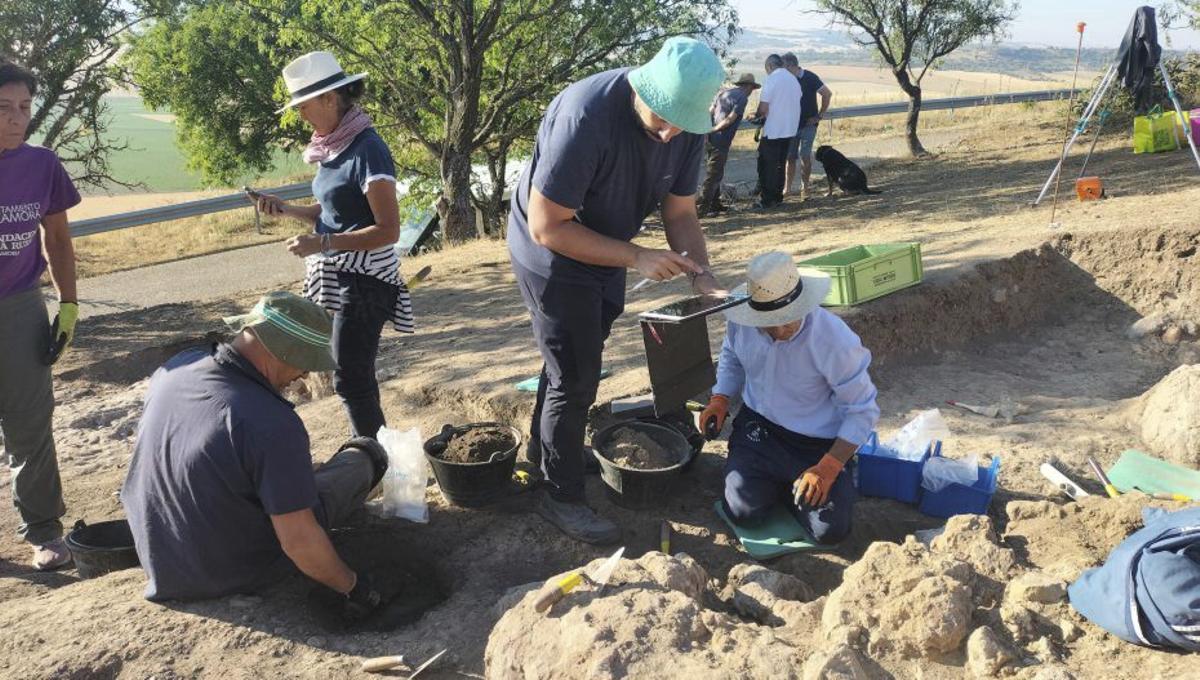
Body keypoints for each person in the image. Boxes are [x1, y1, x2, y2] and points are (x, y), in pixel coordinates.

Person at [508, 37, 726, 544]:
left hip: (607, 245)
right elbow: (549, 226)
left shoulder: (685, 125)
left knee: (574, 359)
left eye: (683, 125)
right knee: (575, 373)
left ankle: (546, 454)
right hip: (552, 251)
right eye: (662, 120)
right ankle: (559, 495)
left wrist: (702, 272)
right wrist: (637, 257)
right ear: (643, 87)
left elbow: (680, 212)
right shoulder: (585, 117)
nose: (671, 133)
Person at [122, 291, 389, 619]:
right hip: (230, 572)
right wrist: (353, 586)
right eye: (305, 362)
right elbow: (298, 542)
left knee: (286, 477)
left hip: (161, 559)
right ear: (284, 351)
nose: (304, 375)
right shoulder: (270, 422)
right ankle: (368, 453)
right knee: (363, 457)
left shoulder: (176, 368)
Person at [249, 51, 410, 440]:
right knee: (353, 378)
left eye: (303, 106)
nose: (301, 115)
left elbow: (387, 229)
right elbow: (334, 210)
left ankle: (374, 463)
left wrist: (321, 242)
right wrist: (286, 210)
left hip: (367, 282)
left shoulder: (368, 148)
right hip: (345, 279)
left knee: (351, 380)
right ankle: (377, 460)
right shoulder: (334, 146)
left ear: (330, 98)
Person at [701, 252, 879, 544]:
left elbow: (862, 410)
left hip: (816, 445)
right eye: (771, 322)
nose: (781, 329)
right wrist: (720, 398)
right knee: (743, 510)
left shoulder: (834, 341)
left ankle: (810, 480)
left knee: (829, 531)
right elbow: (732, 356)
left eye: (788, 319)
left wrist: (829, 466)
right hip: (760, 432)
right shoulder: (742, 322)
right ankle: (783, 486)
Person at [0, 60, 81, 571]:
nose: (16, 119)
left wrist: (68, 305)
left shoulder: (42, 164)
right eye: (4, 108)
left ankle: (45, 530)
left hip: (20, 307)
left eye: (24, 108)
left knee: (30, 423)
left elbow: (56, 237)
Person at [699, 73, 759, 217]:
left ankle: (715, 204)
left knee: (716, 172)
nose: (752, 92)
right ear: (748, 86)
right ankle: (702, 209)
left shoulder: (723, 93)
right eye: (752, 88)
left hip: (712, 138)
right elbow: (730, 119)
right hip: (721, 139)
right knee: (713, 174)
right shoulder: (742, 98)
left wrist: (707, 130)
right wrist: (714, 129)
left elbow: (710, 111)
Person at [750, 55, 801, 210]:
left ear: (770, 66)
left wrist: (755, 114)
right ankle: (777, 197)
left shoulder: (772, 79)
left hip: (774, 130)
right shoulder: (793, 79)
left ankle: (767, 200)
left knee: (767, 166)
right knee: (780, 164)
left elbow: (764, 108)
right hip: (790, 129)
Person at [782, 54, 832, 200]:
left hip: (808, 125)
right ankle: (787, 189)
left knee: (805, 156)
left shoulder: (810, 77)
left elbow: (827, 94)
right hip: (790, 125)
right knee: (790, 158)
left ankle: (805, 188)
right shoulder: (786, 80)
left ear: (791, 66)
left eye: (784, 67)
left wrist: (819, 116)